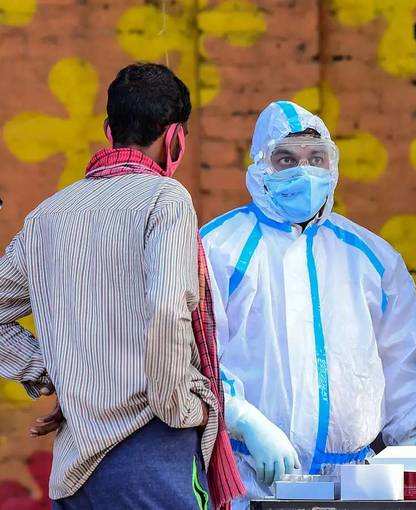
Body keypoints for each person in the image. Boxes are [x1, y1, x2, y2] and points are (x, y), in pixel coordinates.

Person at [0, 63, 244, 509]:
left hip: (75, 472)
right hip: (152, 453)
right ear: (175, 139)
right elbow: (170, 309)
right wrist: (178, 407)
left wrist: (55, 370)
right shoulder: (165, 199)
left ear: (109, 131)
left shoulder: (46, 216)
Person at [201, 101, 416, 509]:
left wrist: (408, 455)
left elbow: (401, 360)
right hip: (249, 478)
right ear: (260, 165)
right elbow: (196, 354)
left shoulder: (370, 258)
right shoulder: (219, 249)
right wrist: (243, 421)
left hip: (357, 483)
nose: (303, 171)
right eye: (286, 159)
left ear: (332, 165)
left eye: (316, 159)